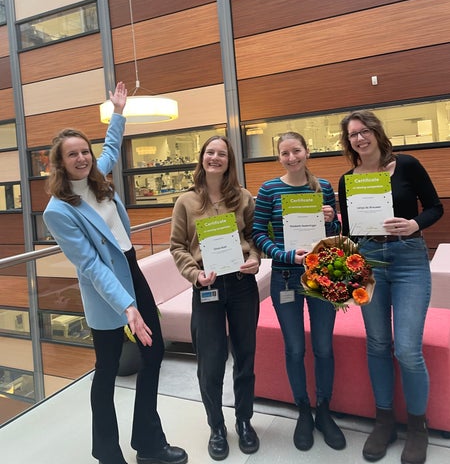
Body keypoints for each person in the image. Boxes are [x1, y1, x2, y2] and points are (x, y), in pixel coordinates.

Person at [43, 82, 188, 464]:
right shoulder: (58, 210)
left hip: (132, 273)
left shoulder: (98, 176)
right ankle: (107, 451)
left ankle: (148, 442)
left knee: (153, 352)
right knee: (107, 369)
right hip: (106, 294)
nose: (82, 159)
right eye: (72, 155)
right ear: (59, 163)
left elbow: (110, 147)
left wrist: (119, 110)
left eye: (83, 152)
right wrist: (127, 306)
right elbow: (90, 265)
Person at [338, 110, 443, 464]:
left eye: (364, 131)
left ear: (377, 133)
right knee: (378, 343)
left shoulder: (408, 165)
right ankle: (384, 421)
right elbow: (351, 232)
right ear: (347, 141)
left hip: (409, 259)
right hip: (368, 260)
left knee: (408, 350)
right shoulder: (348, 179)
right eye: (352, 134)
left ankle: (417, 427)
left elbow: (435, 207)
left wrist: (414, 224)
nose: (359, 138)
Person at [252, 131, 346, 452]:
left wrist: (333, 220)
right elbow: (257, 234)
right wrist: (284, 255)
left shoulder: (324, 187)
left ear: (307, 152)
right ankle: (303, 410)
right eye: (284, 153)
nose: (291, 158)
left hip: (321, 278)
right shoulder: (269, 189)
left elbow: (333, 235)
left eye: (296, 151)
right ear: (278, 157)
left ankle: (324, 410)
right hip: (286, 279)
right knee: (294, 349)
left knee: (323, 347)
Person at [170, 136, 260, 461]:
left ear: (229, 161)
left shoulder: (244, 198)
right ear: (202, 158)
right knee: (210, 362)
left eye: (222, 153)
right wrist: (195, 275)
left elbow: (253, 236)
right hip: (206, 286)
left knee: (246, 357)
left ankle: (244, 421)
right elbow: (177, 246)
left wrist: (255, 258)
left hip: (240, 284)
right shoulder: (186, 202)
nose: (215, 158)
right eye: (211, 152)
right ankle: (217, 427)